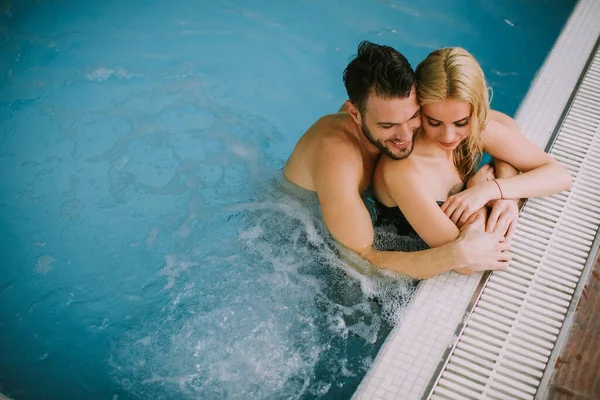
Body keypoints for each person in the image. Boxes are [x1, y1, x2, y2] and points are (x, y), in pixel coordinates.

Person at [284, 41, 517, 279]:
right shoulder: (338, 159)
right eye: (388, 125)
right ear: (355, 114)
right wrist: (454, 254)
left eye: (414, 117)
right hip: (302, 236)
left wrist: (497, 191)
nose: (406, 137)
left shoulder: (393, 109)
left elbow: (502, 125)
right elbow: (361, 262)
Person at [372, 47, 573, 251]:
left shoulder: (474, 129)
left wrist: (495, 191)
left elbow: (560, 175)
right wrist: (477, 195)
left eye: (460, 123)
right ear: (417, 110)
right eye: (433, 122)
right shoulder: (403, 169)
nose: (449, 137)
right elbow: (467, 255)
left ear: (476, 112)